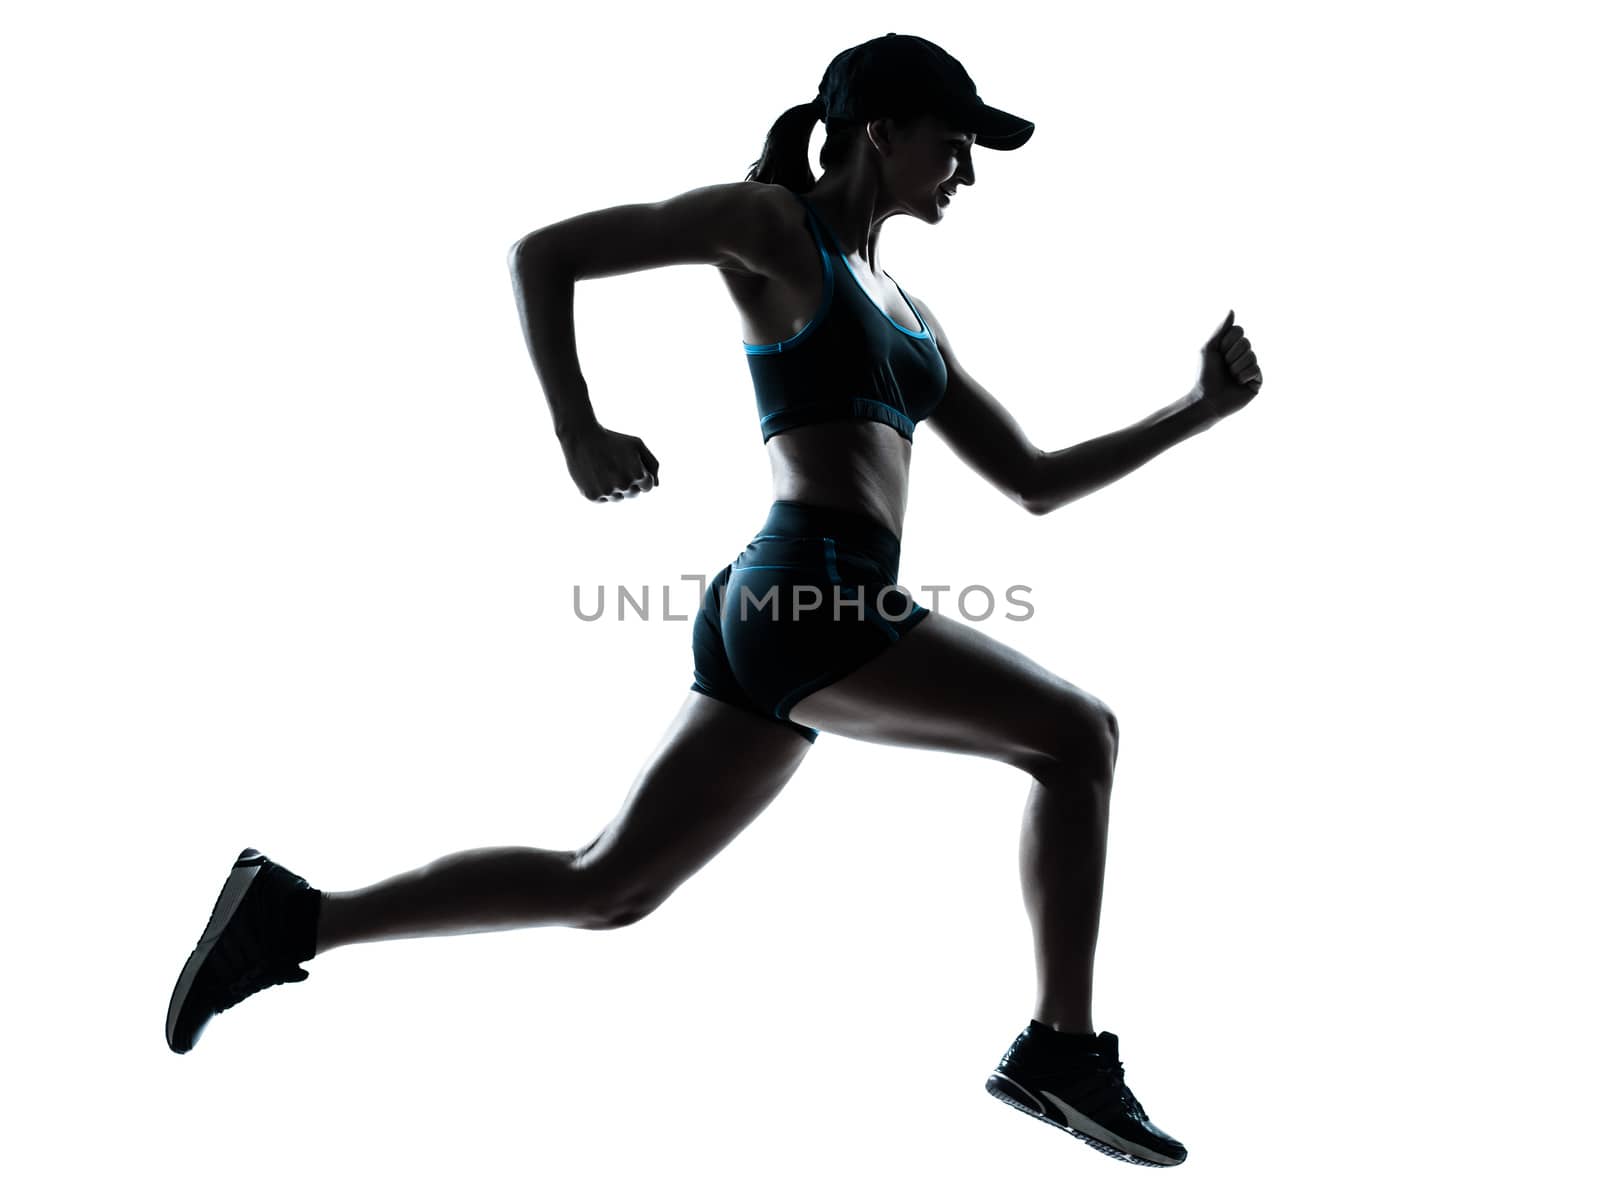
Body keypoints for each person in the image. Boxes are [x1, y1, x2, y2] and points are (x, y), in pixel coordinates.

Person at [165, 33, 1264, 1169]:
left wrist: (1196, 409)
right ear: (880, 131)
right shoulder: (773, 229)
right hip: (812, 593)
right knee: (1078, 735)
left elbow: (1033, 482)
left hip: (784, 610)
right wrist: (576, 428)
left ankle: (296, 915)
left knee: (609, 885)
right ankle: (1060, 1049)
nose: (966, 175)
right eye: (955, 145)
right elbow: (545, 253)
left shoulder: (916, 316)